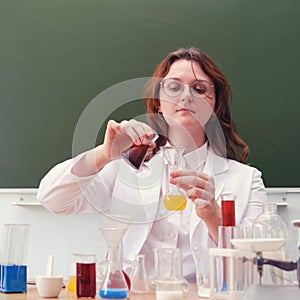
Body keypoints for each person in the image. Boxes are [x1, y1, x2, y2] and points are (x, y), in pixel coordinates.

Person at [37, 47, 266, 282]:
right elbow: (51, 198)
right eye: (174, 87)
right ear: (159, 104)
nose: (186, 96)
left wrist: (213, 215)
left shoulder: (246, 181)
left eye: (199, 89)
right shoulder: (124, 170)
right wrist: (104, 154)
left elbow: (255, 266)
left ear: (215, 106)